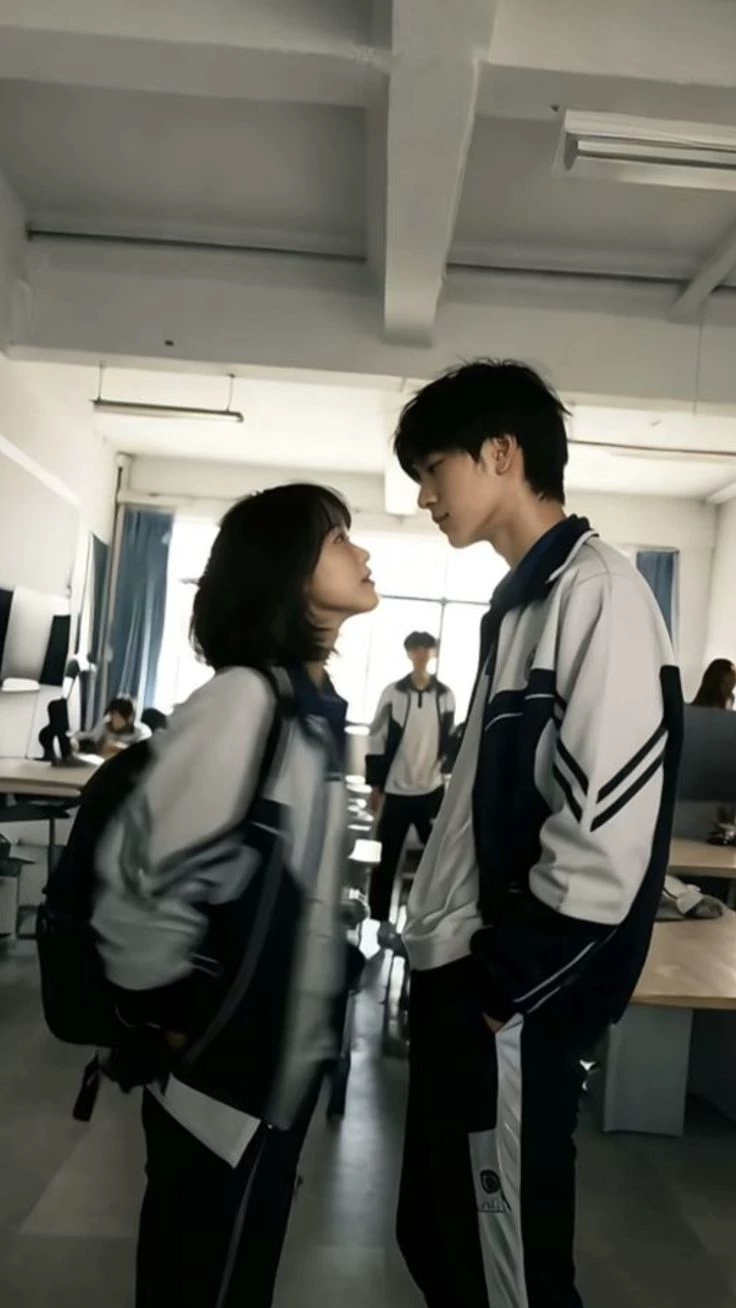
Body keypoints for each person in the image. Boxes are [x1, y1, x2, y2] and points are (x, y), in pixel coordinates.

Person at [391, 361, 683, 1308]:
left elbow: (603, 842)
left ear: (502, 453)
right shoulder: (523, 603)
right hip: (463, 981)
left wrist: (504, 991)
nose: (424, 496)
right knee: (440, 1248)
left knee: (507, 1277)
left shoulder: (600, 595)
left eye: (433, 468)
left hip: (509, 1002)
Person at [92, 483, 377, 1308]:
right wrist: (178, 1021)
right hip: (221, 1086)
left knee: (238, 1277)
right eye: (338, 540)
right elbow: (140, 884)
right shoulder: (244, 701)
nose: (362, 553)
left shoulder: (310, 708)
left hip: (272, 1079)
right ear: (285, 570)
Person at [365, 632, 455, 944]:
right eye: (416, 649)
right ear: (408, 653)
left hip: (431, 789)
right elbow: (376, 737)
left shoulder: (445, 695)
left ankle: (428, 920)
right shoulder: (393, 693)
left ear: (433, 653)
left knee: (438, 858)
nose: (421, 654)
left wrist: (447, 771)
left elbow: (449, 741)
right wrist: (375, 785)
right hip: (396, 789)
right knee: (387, 858)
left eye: (426, 649)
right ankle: (380, 921)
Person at [76, 695, 150, 758]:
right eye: (111, 715)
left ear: (129, 717)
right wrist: (75, 738)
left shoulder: (141, 731)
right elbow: (92, 736)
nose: (112, 720)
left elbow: (144, 754)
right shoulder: (106, 722)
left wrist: (118, 747)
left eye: (117, 717)